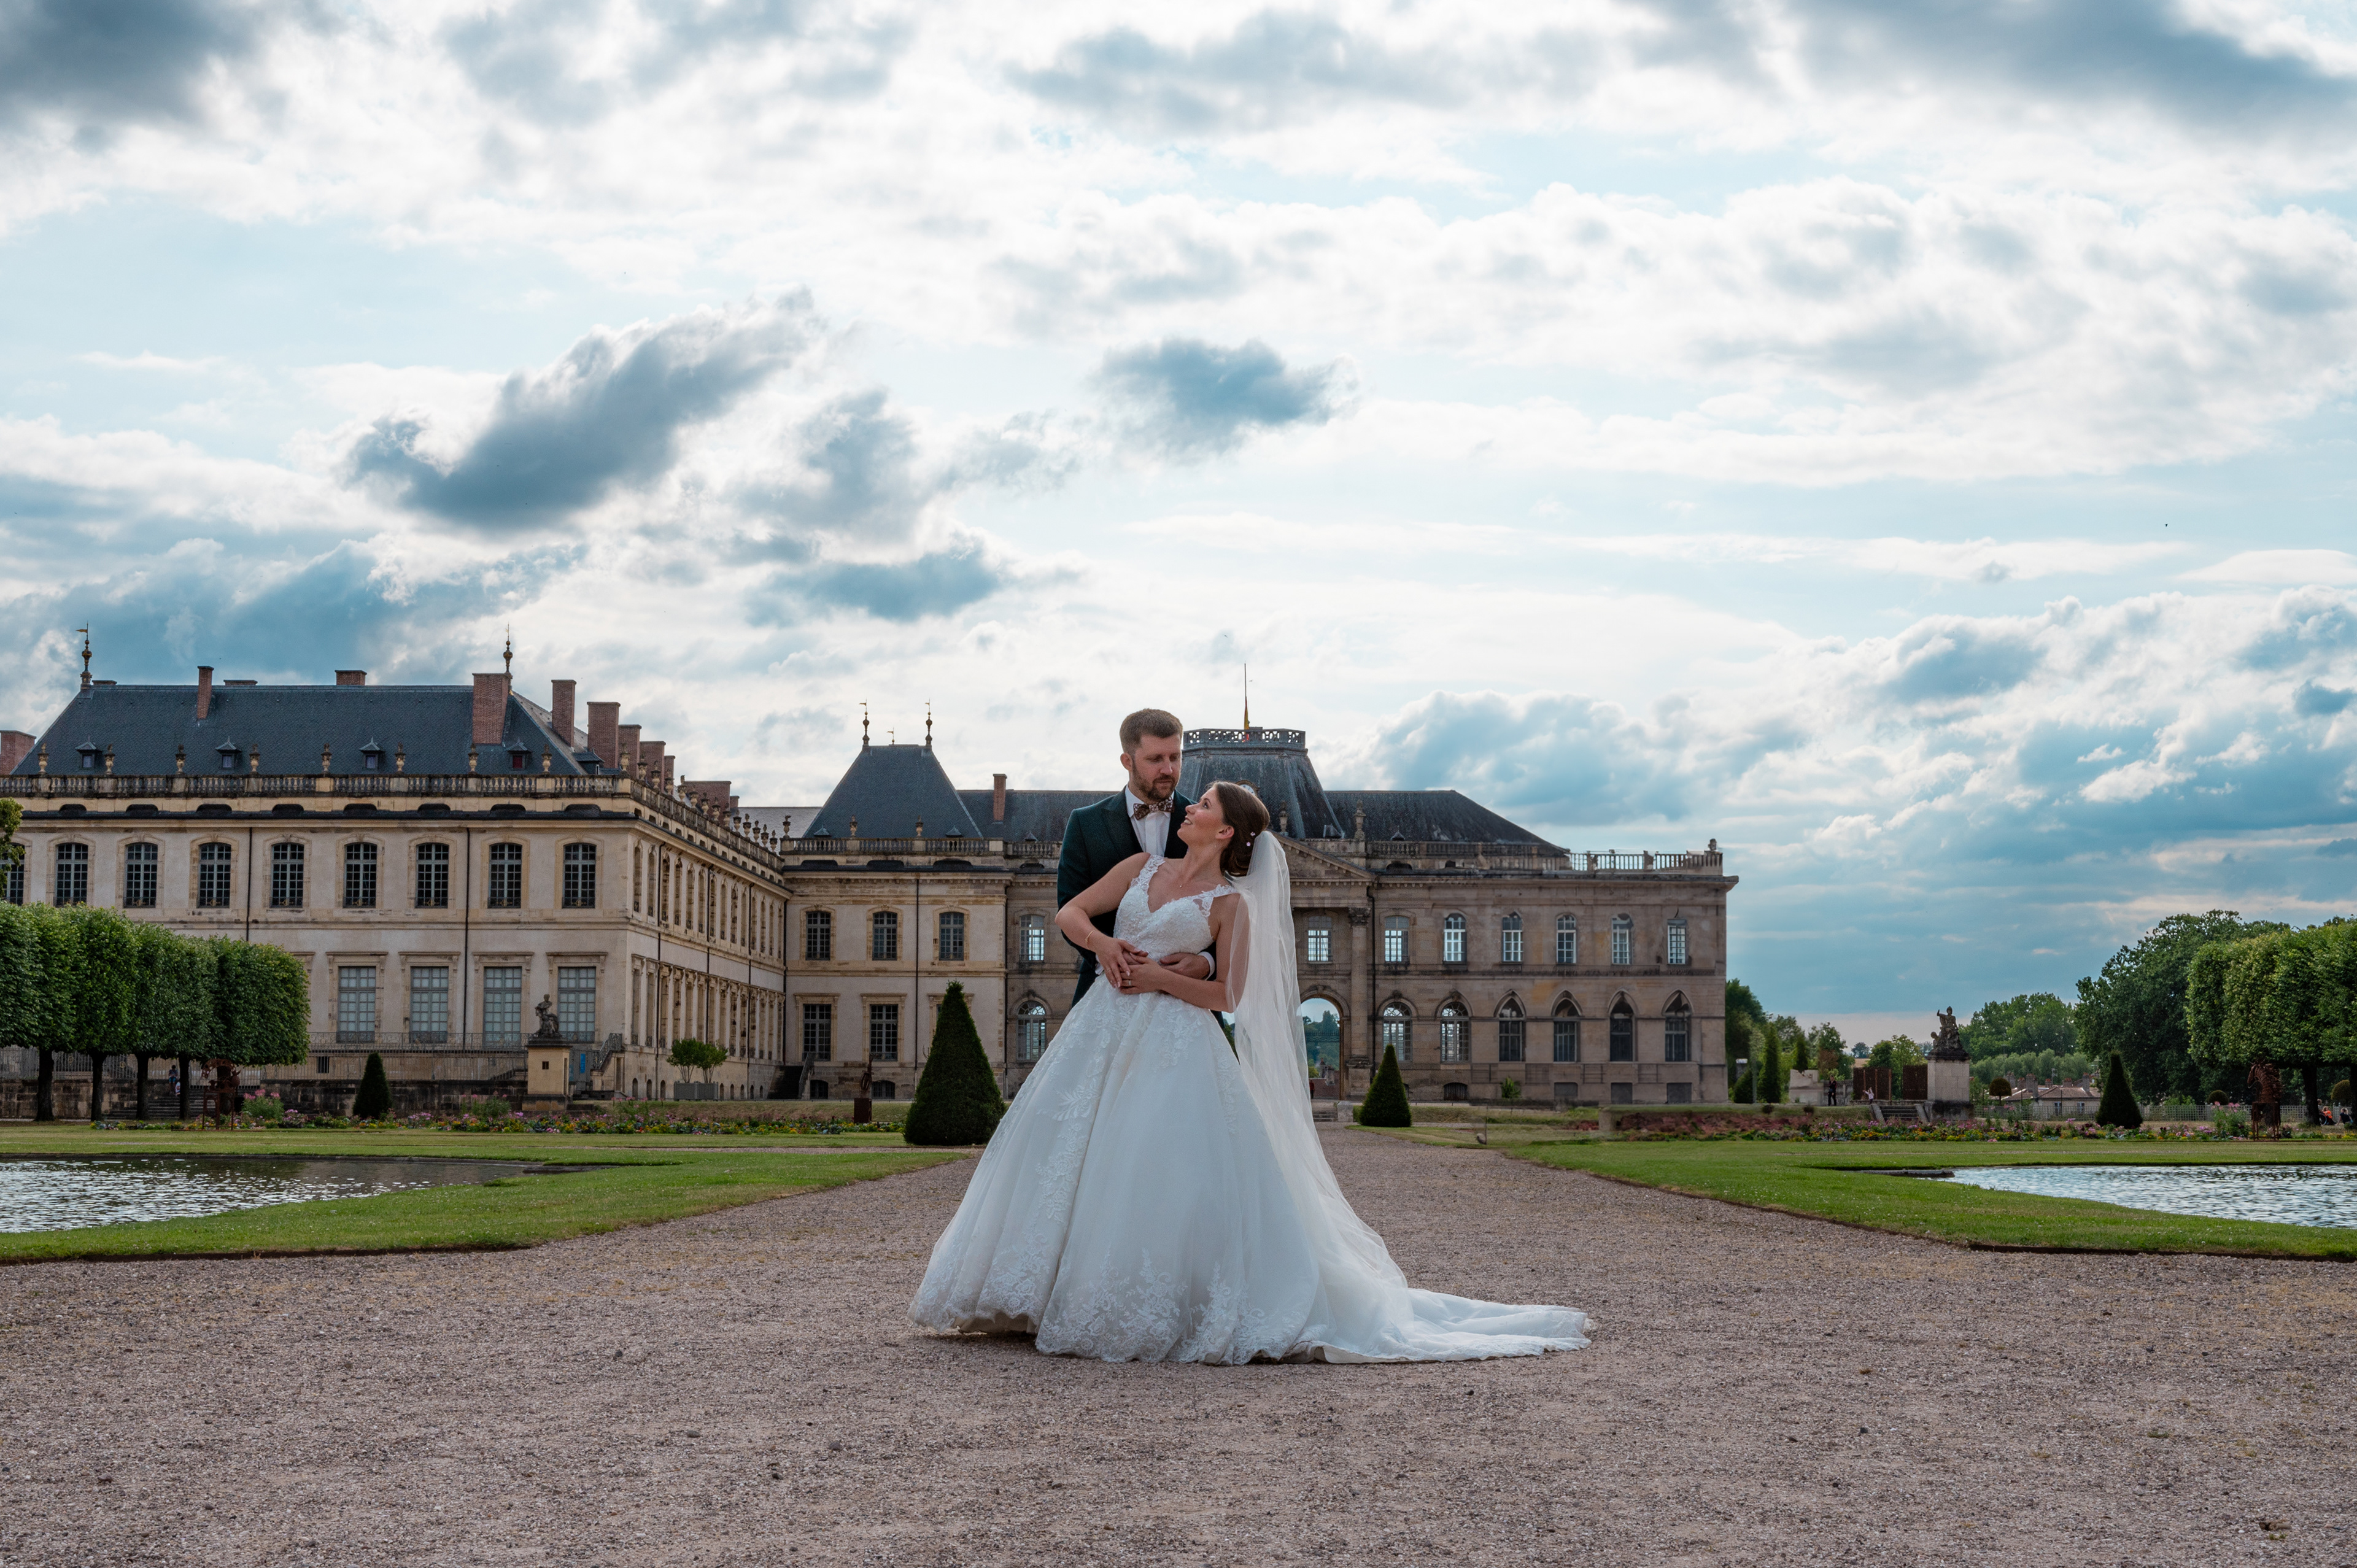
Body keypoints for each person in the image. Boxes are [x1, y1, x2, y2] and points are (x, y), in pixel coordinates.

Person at [909, 774, 1591, 1364]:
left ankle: (1150, 1299)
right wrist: (1108, 946)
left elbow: (1229, 996)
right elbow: (1069, 912)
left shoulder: (1231, 902)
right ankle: (1037, 1291)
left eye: (1201, 801)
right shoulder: (1140, 868)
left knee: (1152, 1169)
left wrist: (1171, 975)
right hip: (1102, 1033)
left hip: (1175, 1040)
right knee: (1069, 1158)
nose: (1187, 804)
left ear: (1224, 827)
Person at [1055, 708, 1210, 1003]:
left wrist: (1207, 963)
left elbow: (1228, 906)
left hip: (1187, 998)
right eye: (1155, 759)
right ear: (1127, 761)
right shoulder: (1086, 824)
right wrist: (1101, 948)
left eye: (1175, 758)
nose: (1169, 769)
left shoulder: (1207, 823)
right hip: (1107, 993)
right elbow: (1068, 908)